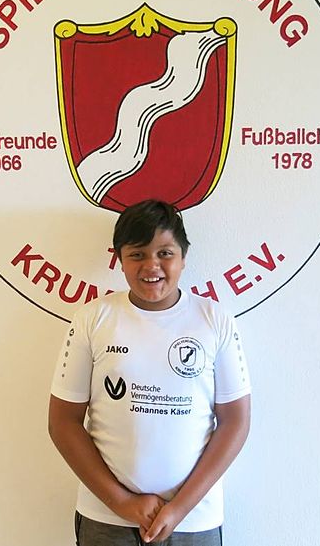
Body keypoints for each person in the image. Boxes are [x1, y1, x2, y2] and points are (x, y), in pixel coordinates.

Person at [48, 200, 251, 545]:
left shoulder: (215, 321)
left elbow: (235, 422)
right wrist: (122, 503)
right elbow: (63, 422)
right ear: (120, 259)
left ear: (183, 257)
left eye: (165, 253)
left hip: (193, 520)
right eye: (137, 254)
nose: (151, 265)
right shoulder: (92, 319)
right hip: (107, 518)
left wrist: (179, 509)